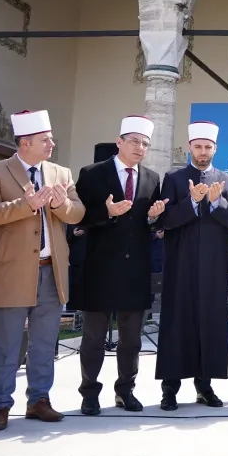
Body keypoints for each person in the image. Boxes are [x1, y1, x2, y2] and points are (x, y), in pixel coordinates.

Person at [0, 110, 82, 431]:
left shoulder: (60, 172)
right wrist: (28, 204)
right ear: (25, 143)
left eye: (50, 138)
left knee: (45, 342)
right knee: (6, 343)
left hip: (51, 271)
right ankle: (0, 405)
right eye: (45, 139)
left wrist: (60, 205)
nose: (52, 143)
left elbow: (77, 213)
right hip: (10, 271)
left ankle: (38, 400)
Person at [74, 115, 167, 415]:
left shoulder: (152, 178)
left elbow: (151, 222)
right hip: (99, 269)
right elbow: (77, 218)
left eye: (145, 144)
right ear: (119, 142)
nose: (140, 148)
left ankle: (125, 390)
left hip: (135, 271)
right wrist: (107, 211)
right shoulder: (92, 173)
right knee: (93, 338)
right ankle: (89, 393)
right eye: (135, 141)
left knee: (131, 340)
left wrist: (155, 217)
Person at [155, 121, 228, 411]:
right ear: (190, 147)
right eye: (198, 147)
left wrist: (217, 203)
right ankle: (170, 389)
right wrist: (192, 203)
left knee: (210, 323)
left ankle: (205, 386)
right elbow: (165, 220)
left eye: (208, 147)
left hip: (214, 266)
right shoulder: (174, 178)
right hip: (181, 264)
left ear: (215, 148)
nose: (203, 152)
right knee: (177, 322)